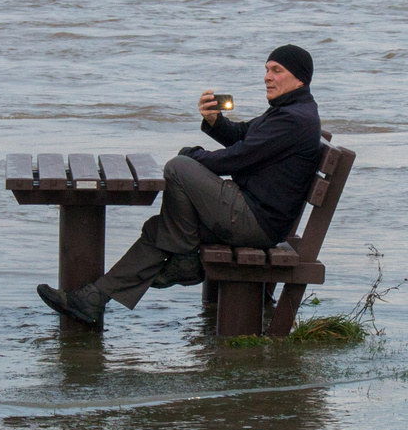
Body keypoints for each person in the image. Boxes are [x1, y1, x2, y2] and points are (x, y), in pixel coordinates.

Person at [37, 44, 323, 327]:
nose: (267, 77)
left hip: (256, 222)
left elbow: (238, 159)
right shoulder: (288, 111)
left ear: (299, 78)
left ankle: (185, 257)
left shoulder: (293, 119)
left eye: (276, 70)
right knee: (159, 229)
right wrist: (215, 121)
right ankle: (93, 300)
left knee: (178, 167)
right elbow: (243, 137)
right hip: (253, 213)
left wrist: (193, 157)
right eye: (266, 70)